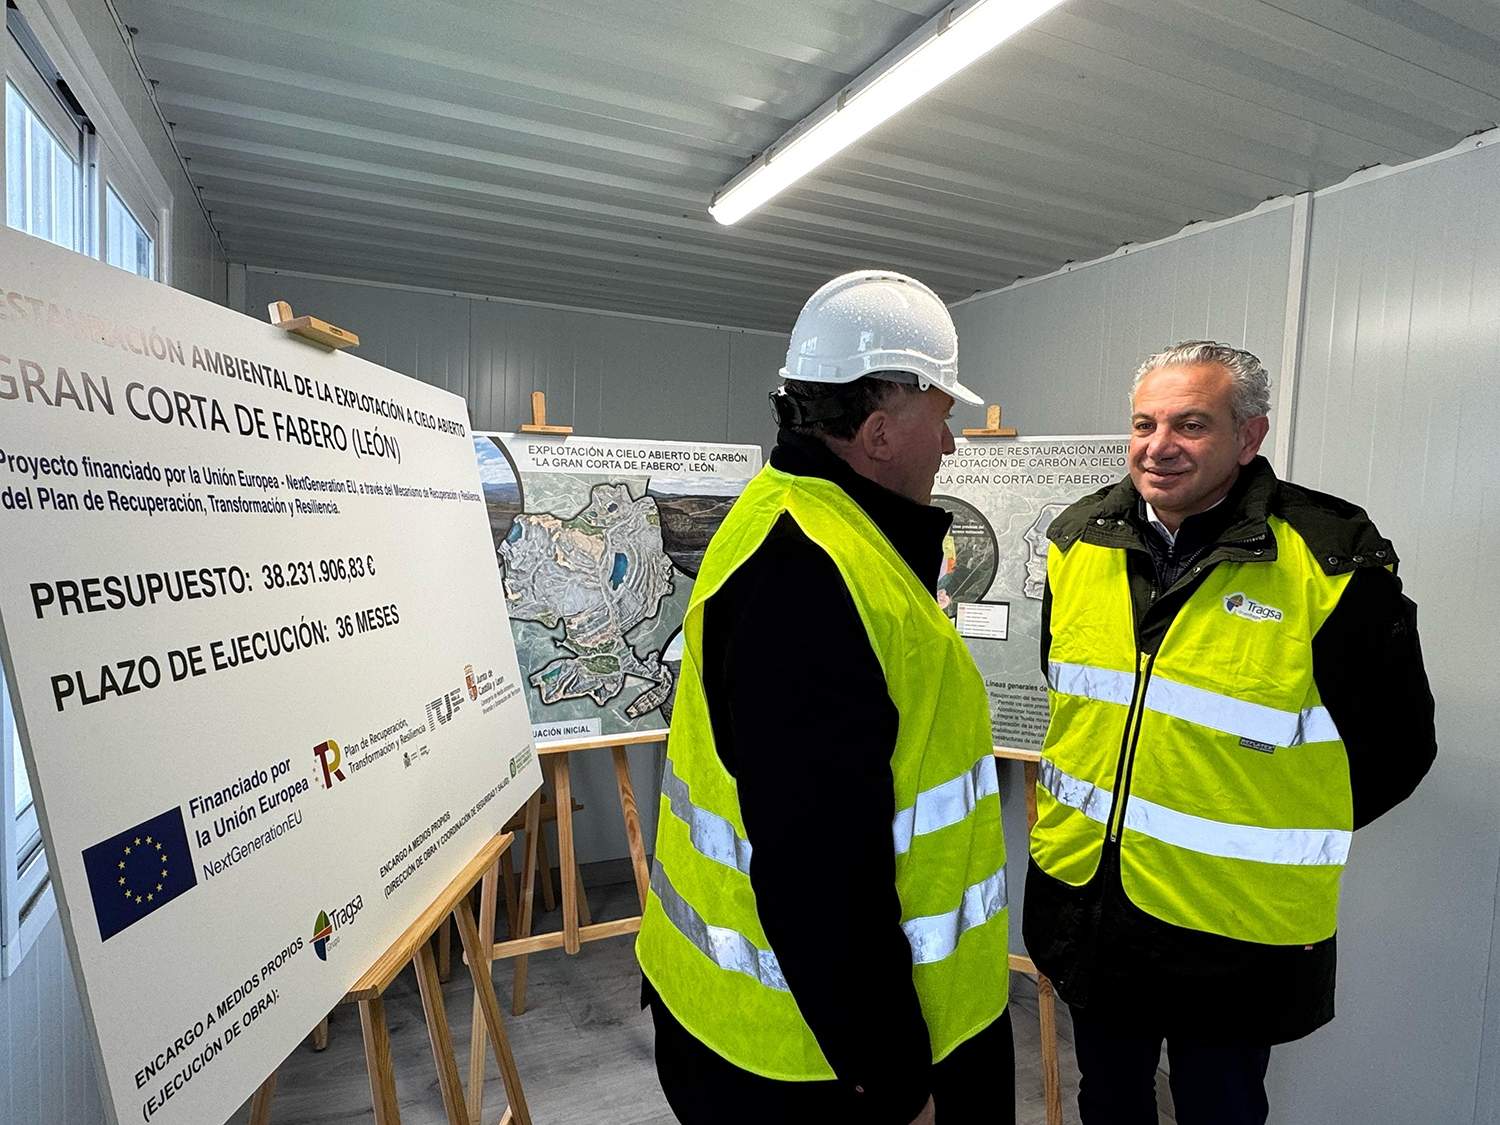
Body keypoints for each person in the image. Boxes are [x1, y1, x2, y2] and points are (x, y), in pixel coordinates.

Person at [1024, 341, 1437, 1124]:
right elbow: (1074, 692)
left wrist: (1267, 822)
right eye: (1144, 423)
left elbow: (1398, 748)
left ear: (1249, 437)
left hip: (1231, 929)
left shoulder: (1329, 554)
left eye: (1191, 424)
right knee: (1108, 1097)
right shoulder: (1078, 539)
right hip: (1090, 903)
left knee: (1220, 1106)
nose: (1158, 446)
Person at [636, 270, 1014, 1125]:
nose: (951, 444)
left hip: (771, 1035)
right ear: (879, 432)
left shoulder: (798, 516)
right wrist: (895, 1080)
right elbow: (818, 873)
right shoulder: (806, 574)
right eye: (942, 417)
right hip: (808, 1063)